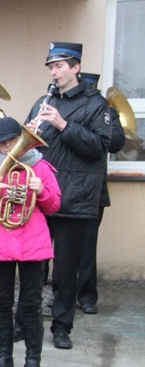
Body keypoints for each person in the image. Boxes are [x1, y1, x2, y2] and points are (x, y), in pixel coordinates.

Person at [23, 42, 111, 350]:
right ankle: (27, 320)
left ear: (76, 68)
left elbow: (99, 147)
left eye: (59, 66)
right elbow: (26, 148)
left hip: (74, 197)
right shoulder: (40, 102)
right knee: (34, 263)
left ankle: (62, 326)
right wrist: (30, 133)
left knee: (65, 268)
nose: (54, 72)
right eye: (50, 67)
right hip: (40, 192)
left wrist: (62, 124)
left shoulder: (96, 104)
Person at [0, 118, 61, 367]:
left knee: (32, 305)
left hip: (32, 243)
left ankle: (32, 361)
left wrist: (41, 190)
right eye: (1, 143)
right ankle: (4, 359)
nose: (7, 147)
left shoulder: (41, 168)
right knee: (1, 303)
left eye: (12, 140)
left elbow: (54, 205)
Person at [74, 72, 127, 315]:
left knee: (86, 247)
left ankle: (86, 296)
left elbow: (115, 142)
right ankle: (53, 292)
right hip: (64, 188)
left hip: (94, 192)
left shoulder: (105, 112)